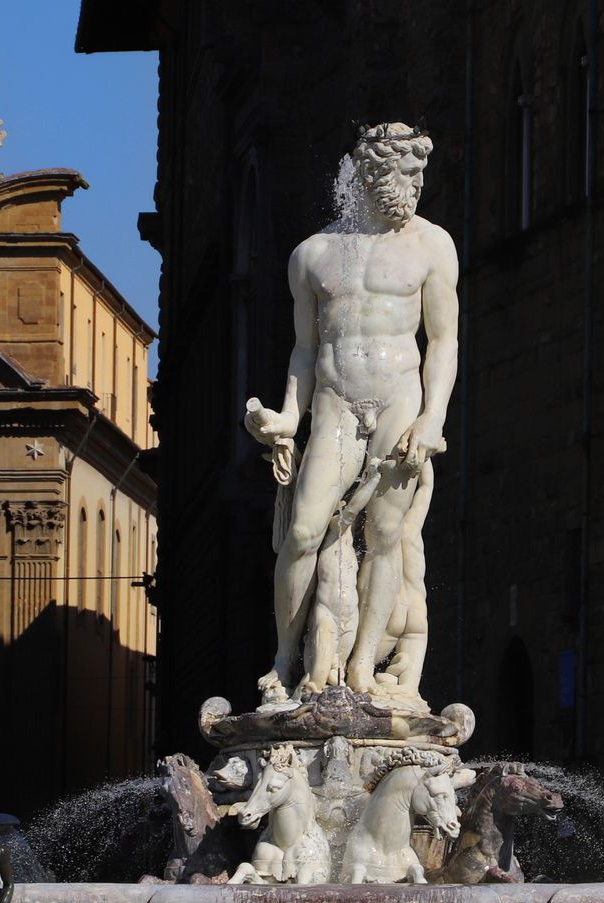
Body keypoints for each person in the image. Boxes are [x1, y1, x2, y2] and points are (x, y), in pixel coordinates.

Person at [245, 122, 459, 707]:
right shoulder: (312, 255)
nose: (412, 187)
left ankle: (364, 662)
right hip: (338, 401)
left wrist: (433, 417)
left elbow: (443, 342)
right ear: (368, 175)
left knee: (385, 532)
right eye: (403, 174)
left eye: (418, 175)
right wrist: (290, 416)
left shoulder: (432, 245)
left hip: (398, 398)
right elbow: (307, 350)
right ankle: (285, 661)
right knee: (304, 529)